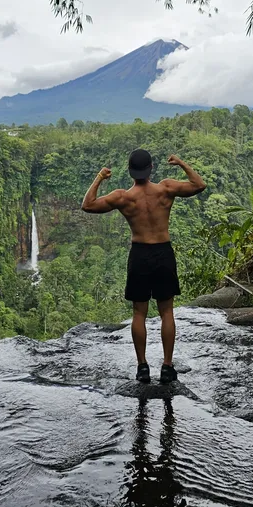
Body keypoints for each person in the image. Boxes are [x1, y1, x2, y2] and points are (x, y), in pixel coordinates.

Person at [81, 149, 206, 385]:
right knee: (166, 312)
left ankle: (142, 368)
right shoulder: (166, 188)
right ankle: (167, 367)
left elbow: (87, 205)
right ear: (151, 169)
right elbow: (199, 185)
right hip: (163, 252)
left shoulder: (122, 197)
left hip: (139, 254)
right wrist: (180, 163)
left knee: (139, 313)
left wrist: (99, 177)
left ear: (130, 172)